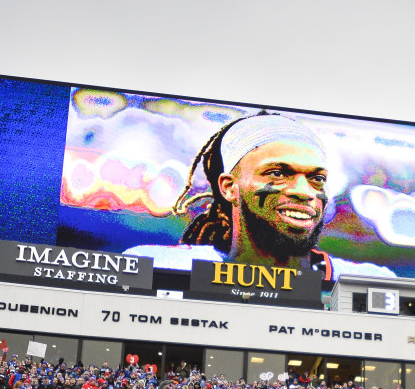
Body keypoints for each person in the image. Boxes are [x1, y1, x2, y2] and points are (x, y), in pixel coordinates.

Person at [124, 113, 394, 279]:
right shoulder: (158, 265)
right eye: (277, 173)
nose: (303, 191)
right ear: (229, 187)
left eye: (317, 178)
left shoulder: (369, 281)